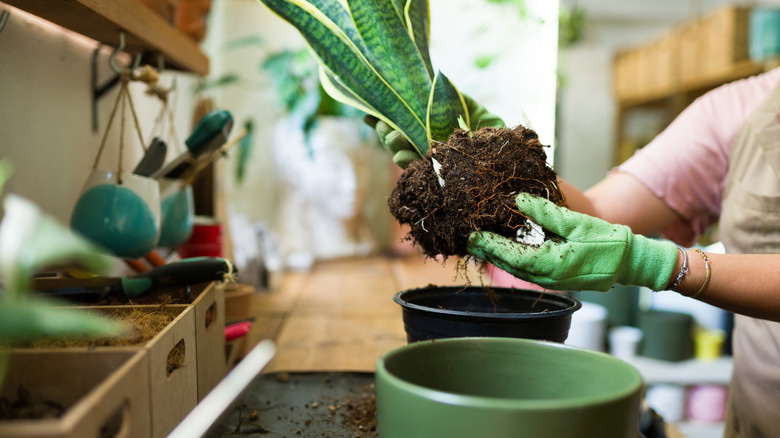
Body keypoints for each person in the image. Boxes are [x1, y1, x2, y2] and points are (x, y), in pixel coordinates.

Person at [371, 66, 780, 437]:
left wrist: (661, 264)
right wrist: (495, 162)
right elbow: (601, 210)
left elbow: (638, 248)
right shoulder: (740, 108)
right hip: (757, 414)